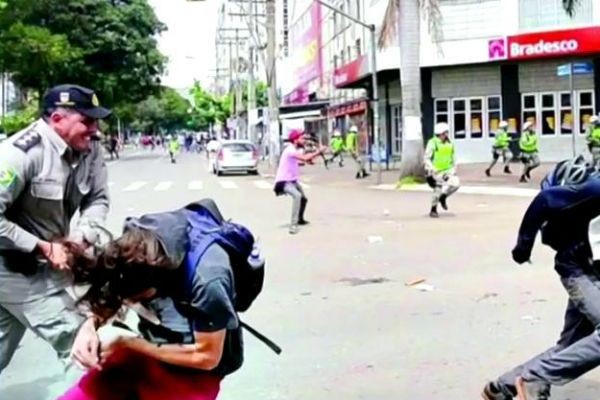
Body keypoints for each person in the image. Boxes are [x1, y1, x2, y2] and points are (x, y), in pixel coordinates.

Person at [60, 201, 249, 400]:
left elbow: (207, 357)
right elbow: (110, 291)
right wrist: (88, 327)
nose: (133, 305)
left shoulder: (209, 279)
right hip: (150, 347)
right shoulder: (134, 244)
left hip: (197, 366)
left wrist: (128, 343)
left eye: (137, 301)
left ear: (157, 289)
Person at [0, 84, 111, 390]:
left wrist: (80, 238)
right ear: (58, 119)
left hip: (49, 264)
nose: (95, 129)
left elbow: (98, 199)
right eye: (87, 121)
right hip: (11, 266)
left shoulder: (90, 150)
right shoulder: (20, 153)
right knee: (81, 345)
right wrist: (43, 246)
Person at [482, 156, 600, 400]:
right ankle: (536, 377)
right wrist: (522, 248)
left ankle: (503, 386)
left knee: (571, 347)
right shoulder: (594, 188)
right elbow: (545, 199)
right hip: (579, 271)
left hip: (591, 269)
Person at [273, 130, 326, 235]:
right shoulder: (290, 150)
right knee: (297, 196)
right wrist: (319, 151)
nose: (304, 140)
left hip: (292, 180)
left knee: (303, 199)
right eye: (301, 138)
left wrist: (307, 161)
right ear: (295, 140)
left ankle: (300, 219)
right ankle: (293, 226)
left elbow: (299, 160)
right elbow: (305, 157)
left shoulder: (294, 150)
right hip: (283, 181)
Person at [424, 122, 460, 218]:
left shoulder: (450, 143)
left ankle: (443, 197)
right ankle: (433, 209)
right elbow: (426, 158)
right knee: (437, 189)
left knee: (456, 184)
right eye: (445, 133)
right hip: (437, 171)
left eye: (447, 132)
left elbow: (453, 156)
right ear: (440, 133)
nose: (446, 134)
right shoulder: (433, 143)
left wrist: (455, 166)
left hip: (448, 169)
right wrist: (432, 168)